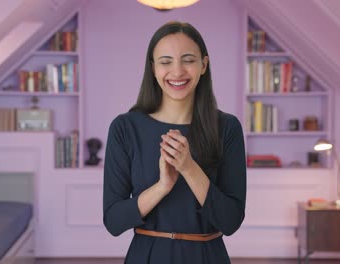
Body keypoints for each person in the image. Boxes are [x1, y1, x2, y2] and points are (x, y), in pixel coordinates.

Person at [103, 21, 246, 264]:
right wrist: (162, 187)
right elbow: (114, 222)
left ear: (204, 65)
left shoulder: (228, 128)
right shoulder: (125, 128)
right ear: (153, 68)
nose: (177, 71)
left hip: (207, 256)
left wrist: (189, 168)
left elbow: (230, 221)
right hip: (146, 256)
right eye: (166, 61)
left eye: (188, 60)